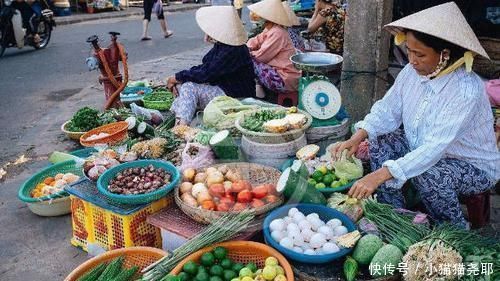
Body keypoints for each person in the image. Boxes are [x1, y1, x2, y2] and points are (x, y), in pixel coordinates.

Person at [331, 2, 500, 229]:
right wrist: (357, 136)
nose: (411, 60)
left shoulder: (465, 90)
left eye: (419, 54)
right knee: (380, 139)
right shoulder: (412, 72)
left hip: (471, 165)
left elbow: (433, 149)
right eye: (408, 50)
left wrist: (380, 174)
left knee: (429, 173)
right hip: (425, 148)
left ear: (444, 55)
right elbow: (388, 109)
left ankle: (453, 230)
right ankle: (395, 215)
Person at [166, 6, 255, 125]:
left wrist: (176, 77)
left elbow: (206, 73)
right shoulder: (224, 45)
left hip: (235, 96)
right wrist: (179, 78)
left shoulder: (233, 49)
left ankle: (181, 128)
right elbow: (206, 63)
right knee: (183, 86)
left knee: (189, 87)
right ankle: (178, 120)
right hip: (224, 89)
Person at [247, 0, 301, 97]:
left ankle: (254, 89)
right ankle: (257, 87)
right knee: (247, 56)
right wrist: (248, 47)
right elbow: (256, 40)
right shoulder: (270, 29)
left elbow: (261, 56)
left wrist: (247, 52)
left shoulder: (278, 33)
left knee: (249, 60)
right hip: (280, 73)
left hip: (285, 79)